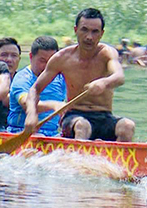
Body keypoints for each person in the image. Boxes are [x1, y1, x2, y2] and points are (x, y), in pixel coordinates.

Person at [25, 8, 134, 142]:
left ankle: (117, 154)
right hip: (74, 117)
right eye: (84, 30)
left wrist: (104, 82)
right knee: (82, 126)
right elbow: (35, 89)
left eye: (95, 32)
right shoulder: (62, 58)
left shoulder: (107, 53)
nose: (89, 37)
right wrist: (31, 114)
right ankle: (78, 155)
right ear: (76, 30)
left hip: (104, 116)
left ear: (101, 34)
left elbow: (119, 77)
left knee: (128, 126)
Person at [7, 36, 66, 137]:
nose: (47, 66)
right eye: (42, 60)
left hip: (53, 134)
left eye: (51, 61)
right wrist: (54, 105)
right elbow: (26, 103)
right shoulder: (22, 78)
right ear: (31, 57)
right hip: (21, 132)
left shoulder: (61, 79)